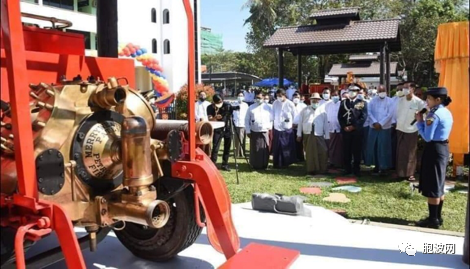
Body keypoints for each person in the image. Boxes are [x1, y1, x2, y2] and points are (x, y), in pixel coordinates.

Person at [415, 87, 453, 229]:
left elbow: (427, 137)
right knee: (439, 183)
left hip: (434, 149)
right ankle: (437, 216)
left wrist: (419, 122)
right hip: (442, 148)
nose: (427, 101)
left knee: (433, 184)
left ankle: (433, 220)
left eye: (429, 99)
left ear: (438, 100)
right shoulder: (446, 112)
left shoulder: (433, 115)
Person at [396, 82, 426, 181]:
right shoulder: (400, 100)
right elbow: (397, 112)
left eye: (406, 88)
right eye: (403, 88)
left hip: (412, 129)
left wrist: (419, 124)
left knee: (411, 152)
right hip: (400, 128)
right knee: (401, 151)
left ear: (412, 89)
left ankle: (410, 173)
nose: (404, 89)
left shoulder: (419, 102)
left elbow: (425, 114)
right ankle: (400, 172)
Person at [338, 85, 368, 176]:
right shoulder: (343, 103)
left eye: (354, 91)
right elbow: (340, 116)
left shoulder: (362, 103)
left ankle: (356, 169)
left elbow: (363, 117)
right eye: (350, 90)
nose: (352, 92)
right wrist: (344, 126)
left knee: (356, 150)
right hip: (346, 130)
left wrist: (354, 126)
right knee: (346, 150)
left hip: (356, 131)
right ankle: (347, 168)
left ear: (357, 92)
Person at [297, 93, 329, 175]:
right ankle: (311, 169)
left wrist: (327, 136)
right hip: (308, 133)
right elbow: (300, 123)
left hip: (319, 133)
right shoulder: (305, 110)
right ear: (310, 100)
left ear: (319, 100)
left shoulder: (322, 111)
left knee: (322, 151)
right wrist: (299, 134)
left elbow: (326, 124)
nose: (315, 101)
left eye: (317, 99)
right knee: (309, 152)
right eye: (313, 99)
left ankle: (322, 169)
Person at [365, 85, 393, 175]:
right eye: (380, 91)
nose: (381, 92)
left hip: (384, 128)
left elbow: (390, 114)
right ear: (377, 92)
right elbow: (369, 112)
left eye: (383, 90)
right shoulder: (373, 101)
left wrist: (381, 123)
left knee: (384, 147)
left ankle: (384, 167)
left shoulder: (390, 101)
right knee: (374, 147)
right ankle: (376, 166)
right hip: (373, 127)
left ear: (386, 91)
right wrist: (374, 122)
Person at [245, 91, 273, 170]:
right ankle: (255, 164)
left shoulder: (268, 107)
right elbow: (246, 120)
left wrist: (269, 128)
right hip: (254, 131)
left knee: (265, 148)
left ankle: (264, 164)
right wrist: (248, 131)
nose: (258, 99)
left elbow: (272, 119)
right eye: (257, 98)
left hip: (265, 130)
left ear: (264, 98)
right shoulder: (251, 107)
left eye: (260, 98)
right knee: (255, 148)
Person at [271, 88, 297, 168]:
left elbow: (295, 115)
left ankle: (286, 163)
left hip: (287, 128)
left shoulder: (290, 104)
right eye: (277, 96)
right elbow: (272, 114)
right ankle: (277, 163)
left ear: (284, 95)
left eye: (280, 96)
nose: (279, 97)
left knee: (286, 146)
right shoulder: (275, 103)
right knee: (278, 147)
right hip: (277, 127)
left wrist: (294, 124)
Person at [207, 94, 233, 171]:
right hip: (217, 129)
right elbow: (210, 119)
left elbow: (231, 113)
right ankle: (213, 164)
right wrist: (215, 117)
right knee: (215, 147)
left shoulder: (226, 105)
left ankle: (225, 164)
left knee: (227, 147)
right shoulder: (210, 107)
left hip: (227, 127)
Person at [325, 90, 343, 168]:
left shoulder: (341, 104)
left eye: (336, 95)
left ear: (338, 96)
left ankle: (340, 162)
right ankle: (331, 162)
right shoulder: (328, 105)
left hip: (340, 128)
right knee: (331, 146)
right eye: (333, 95)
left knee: (340, 147)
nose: (334, 96)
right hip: (331, 128)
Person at [233, 91, 249, 159]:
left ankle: (242, 153)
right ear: (237, 97)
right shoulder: (234, 104)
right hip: (236, 124)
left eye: (241, 95)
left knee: (242, 139)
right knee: (236, 139)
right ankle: (236, 153)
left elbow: (247, 115)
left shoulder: (245, 105)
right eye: (239, 95)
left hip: (243, 124)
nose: (240, 97)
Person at [292, 92, 307, 162]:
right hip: (291, 127)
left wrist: (298, 125)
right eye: (295, 97)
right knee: (292, 143)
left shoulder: (303, 106)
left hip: (300, 127)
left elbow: (305, 118)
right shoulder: (290, 105)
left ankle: (300, 157)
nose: (296, 99)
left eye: (297, 97)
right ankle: (293, 157)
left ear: (300, 98)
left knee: (300, 143)